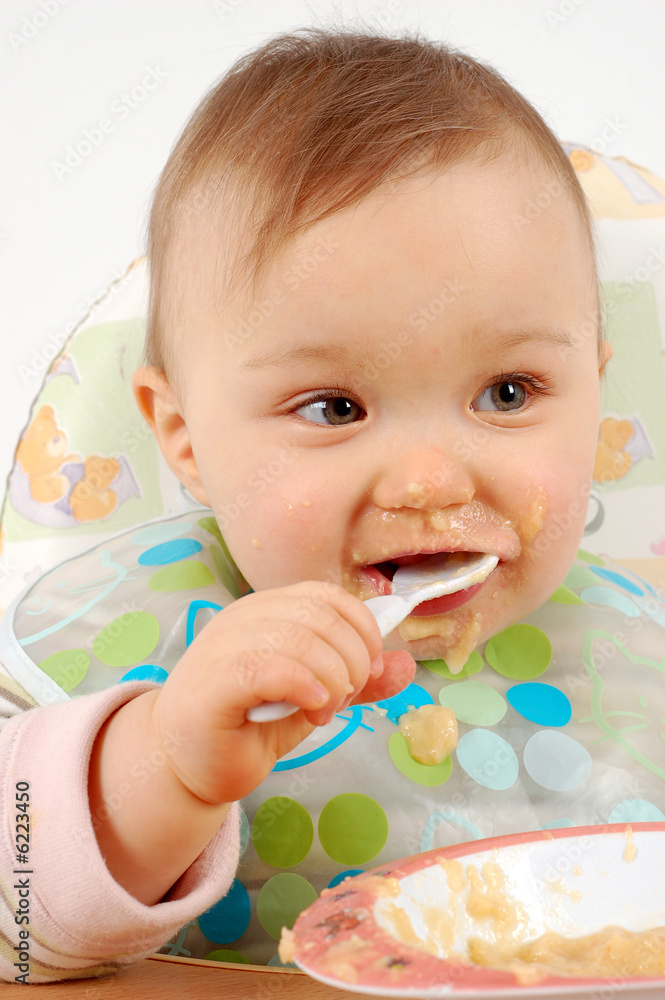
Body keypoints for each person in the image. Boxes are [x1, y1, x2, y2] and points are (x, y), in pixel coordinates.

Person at [3, 27, 663, 981]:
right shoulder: (149, 658)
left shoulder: (636, 653)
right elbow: (18, 923)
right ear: (183, 436)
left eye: (507, 392)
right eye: (333, 409)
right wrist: (166, 766)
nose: (432, 482)